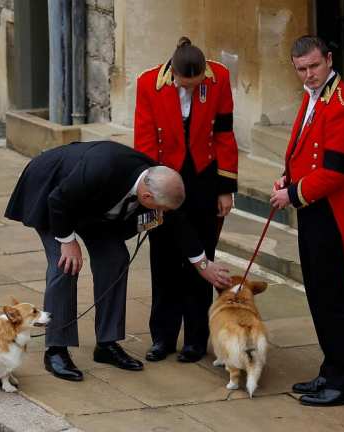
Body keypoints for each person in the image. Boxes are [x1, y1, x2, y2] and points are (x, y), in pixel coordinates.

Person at [5, 140, 187, 381]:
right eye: (160, 208)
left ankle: (106, 344)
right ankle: (56, 350)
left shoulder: (156, 177)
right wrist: (68, 241)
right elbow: (58, 200)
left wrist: (202, 262)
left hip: (90, 205)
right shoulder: (103, 168)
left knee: (115, 257)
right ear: (146, 194)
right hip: (51, 190)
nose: (162, 213)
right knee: (65, 264)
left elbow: (177, 222)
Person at [269, 35, 344, 406]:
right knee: (318, 295)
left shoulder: (341, 105)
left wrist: (291, 194)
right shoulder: (315, 97)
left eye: (314, 66)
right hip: (314, 209)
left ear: (328, 59)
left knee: (333, 300)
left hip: (332, 215)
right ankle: (331, 370)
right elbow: (303, 150)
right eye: (301, 70)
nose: (309, 75)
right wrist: (287, 177)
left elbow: (335, 173)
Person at [134, 36, 237, 363]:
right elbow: (144, 141)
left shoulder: (219, 77)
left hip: (204, 178)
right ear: (174, 74)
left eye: (196, 86)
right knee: (163, 260)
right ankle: (162, 337)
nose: (191, 90)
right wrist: (153, 190)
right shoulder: (148, 83)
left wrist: (225, 188)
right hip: (164, 176)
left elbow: (224, 133)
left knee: (202, 256)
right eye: (185, 86)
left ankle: (195, 339)